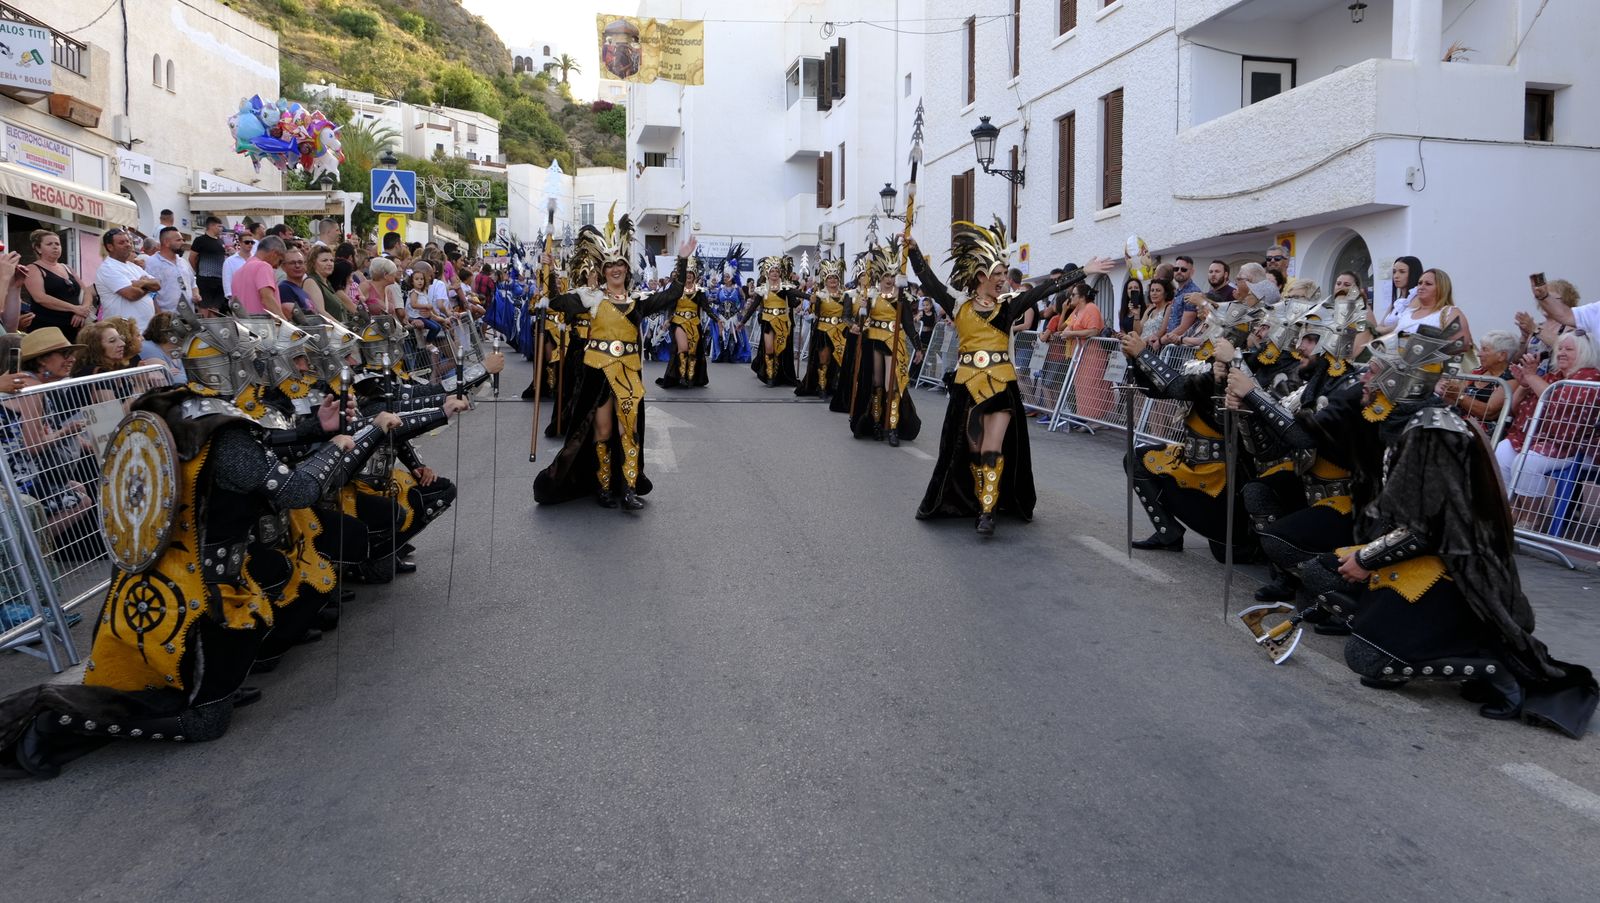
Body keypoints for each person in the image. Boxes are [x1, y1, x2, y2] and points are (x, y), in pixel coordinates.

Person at [1298, 321, 1596, 737]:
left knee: (1369, 660)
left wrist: (1366, 557)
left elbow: (1429, 530)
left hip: (1457, 568)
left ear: (1401, 380)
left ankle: (1490, 667)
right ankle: (1396, 624)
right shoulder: (1406, 422)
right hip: (1416, 551)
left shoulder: (1432, 433)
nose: (1364, 377)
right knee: (1318, 571)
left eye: (1374, 371)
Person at [910, 222, 1112, 535]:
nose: (1004, 280)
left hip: (1001, 384)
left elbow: (1046, 289)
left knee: (993, 445)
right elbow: (930, 281)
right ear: (981, 277)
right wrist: (912, 251)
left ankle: (987, 512)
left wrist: (1083, 271)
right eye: (999, 275)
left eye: (1005, 274)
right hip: (968, 385)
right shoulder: (957, 305)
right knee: (973, 448)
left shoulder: (1009, 305)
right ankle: (979, 501)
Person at [533, 216, 695, 509]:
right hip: (598, 375)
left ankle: (630, 488)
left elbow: (672, 293)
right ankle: (604, 487)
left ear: (626, 269)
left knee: (628, 431)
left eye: (620, 264)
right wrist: (547, 270)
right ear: (603, 270)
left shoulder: (638, 302)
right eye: (609, 265)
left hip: (629, 375)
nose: (615, 268)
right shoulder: (589, 299)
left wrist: (682, 261)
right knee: (603, 432)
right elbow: (556, 302)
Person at [1494, 331, 1600, 524]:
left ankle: (1532, 519)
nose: (1561, 353)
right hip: (1541, 440)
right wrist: (1525, 384)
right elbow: (1514, 408)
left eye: (1569, 349)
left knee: (1526, 461)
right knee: (1502, 451)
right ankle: (1513, 511)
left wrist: (1532, 377)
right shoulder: (1553, 376)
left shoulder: (1591, 378)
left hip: (1576, 446)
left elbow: (1561, 401)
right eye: (1559, 348)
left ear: (1585, 352)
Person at [845, 241, 922, 447]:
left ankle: (893, 427)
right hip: (874, 341)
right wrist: (862, 311)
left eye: (892, 275)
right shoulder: (870, 296)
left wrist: (919, 347)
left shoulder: (903, 297)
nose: (889, 280)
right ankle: (877, 424)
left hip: (894, 341)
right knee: (876, 383)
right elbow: (861, 322)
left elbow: (908, 324)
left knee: (892, 384)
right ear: (879, 276)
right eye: (886, 276)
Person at [656, 253, 717, 390]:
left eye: (691, 273)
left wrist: (717, 320)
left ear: (695, 275)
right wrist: (668, 320)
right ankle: (682, 376)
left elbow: (707, 309)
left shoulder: (700, 291)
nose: (688, 275)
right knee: (683, 348)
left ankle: (691, 376)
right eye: (686, 273)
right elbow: (671, 306)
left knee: (693, 351)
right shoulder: (676, 290)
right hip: (678, 321)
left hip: (694, 323)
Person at [740, 256, 802, 387]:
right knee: (769, 348)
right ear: (767, 273)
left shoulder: (785, 287)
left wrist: (806, 298)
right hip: (768, 321)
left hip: (782, 322)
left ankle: (778, 374)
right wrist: (743, 322)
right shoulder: (762, 289)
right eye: (772, 271)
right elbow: (753, 306)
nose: (774, 273)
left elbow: (794, 302)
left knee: (779, 349)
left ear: (780, 273)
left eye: (777, 271)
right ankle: (770, 375)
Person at [796, 257, 852, 399]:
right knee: (824, 359)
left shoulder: (845, 295)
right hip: (824, 330)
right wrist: (811, 301)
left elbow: (847, 314)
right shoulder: (819, 294)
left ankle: (835, 386)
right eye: (830, 278)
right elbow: (815, 313)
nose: (833, 280)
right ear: (825, 280)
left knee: (839, 359)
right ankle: (821, 386)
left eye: (835, 277)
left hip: (841, 331)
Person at [21, 230, 92, 335]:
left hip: (74, 327)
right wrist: (75, 308)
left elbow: (86, 292)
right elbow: (40, 297)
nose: (55, 247)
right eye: (49, 244)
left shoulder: (67, 267)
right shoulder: (33, 269)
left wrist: (83, 311)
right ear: (38, 248)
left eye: (57, 244)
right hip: (48, 327)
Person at [1446, 330, 1516, 435]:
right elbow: (1454, 395)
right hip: (1458, 423)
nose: (1479, 354)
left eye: (1484, 350)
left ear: (1502, 356)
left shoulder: (1511, 379)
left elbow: (1488, 412)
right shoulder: (1478, 371)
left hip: (1481, 433)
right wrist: (1448, 389)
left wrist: (1459, 397)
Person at [94, 228, 161, 332]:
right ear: (110, 247)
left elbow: (157, 284)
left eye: (128, 241)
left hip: (145, 330)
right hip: (124, 333)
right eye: (122, 242)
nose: (128, 245)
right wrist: (148, 286)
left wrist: (141, 283)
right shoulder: (107, 268)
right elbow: (132, 295)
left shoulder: (133, 267)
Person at [144, 227, 196, 313]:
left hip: (189, 315)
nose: (182, 242)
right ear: (166, 243)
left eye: (182, 240)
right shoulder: (152, 263)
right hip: (168, 317)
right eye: (178, 240)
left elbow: (193, 284)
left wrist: (196, 295)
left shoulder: (182, 261)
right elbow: (150, 292)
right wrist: (160, 316)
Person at [233, 236, 287, 316]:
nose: (276, 267)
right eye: (280, 261)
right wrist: (286, 324)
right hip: (263, 325)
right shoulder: (263, 266)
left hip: (243, 324)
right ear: (274, 253)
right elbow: (267, 299)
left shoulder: (238, 272)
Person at [188, 217, 229, 311]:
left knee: (216, 308)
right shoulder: (200, 240)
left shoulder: (221, 241)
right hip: (205, 279)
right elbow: (192, 258)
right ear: (211, 226)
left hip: (219, 279)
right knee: (204, 307)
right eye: (219, 226)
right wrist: (198, 271)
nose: (221, 229)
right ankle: (205, 325)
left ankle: (214, 325)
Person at [1374, 255, 1423, 334]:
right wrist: (1388, 329)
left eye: (1402, 272)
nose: (1396, 276)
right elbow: (1378, 327)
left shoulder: (1417, 298)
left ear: (1413, 274)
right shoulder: (1396, 301)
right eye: (1394, 272)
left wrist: (1385, 330)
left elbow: (1401, 326)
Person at [276, 247, 314, 314]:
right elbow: (291, 314)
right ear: (283, 267)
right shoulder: (284, 288)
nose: (297, 266)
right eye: (292, 263)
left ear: (305, 265)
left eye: (300, 262)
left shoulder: (303, 291)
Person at [223, 234, 254, 301]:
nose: (250, 244)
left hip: (254, 299)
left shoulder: (256, 259)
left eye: (252, 242)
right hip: (237, 300)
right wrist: (232, 299)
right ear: (240, 243)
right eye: (247, 242)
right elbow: (227, 282)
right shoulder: (230, 261)